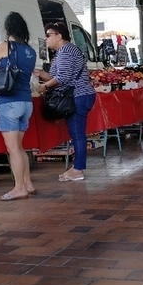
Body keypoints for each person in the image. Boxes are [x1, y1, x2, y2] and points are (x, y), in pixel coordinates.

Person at [0, 12, 37, 200]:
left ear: (8, 29)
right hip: (26, 102)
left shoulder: (5, 46)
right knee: (20, 148)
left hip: (8, 102)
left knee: (13, 149)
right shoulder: (30, 51)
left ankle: (19, 188)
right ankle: (28, 184)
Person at [34, 21, 96, 181]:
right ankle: (77, 167)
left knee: (77, 134)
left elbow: (62, 78)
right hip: (79, 95)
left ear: (59, 36)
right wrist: (41, 74)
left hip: (77, 96)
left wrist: (45, 87)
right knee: (76, 133)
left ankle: (78, 169)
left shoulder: (66, 52)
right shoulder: (64, 52)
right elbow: (59, 76)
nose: (46, 39)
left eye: (49, 35)